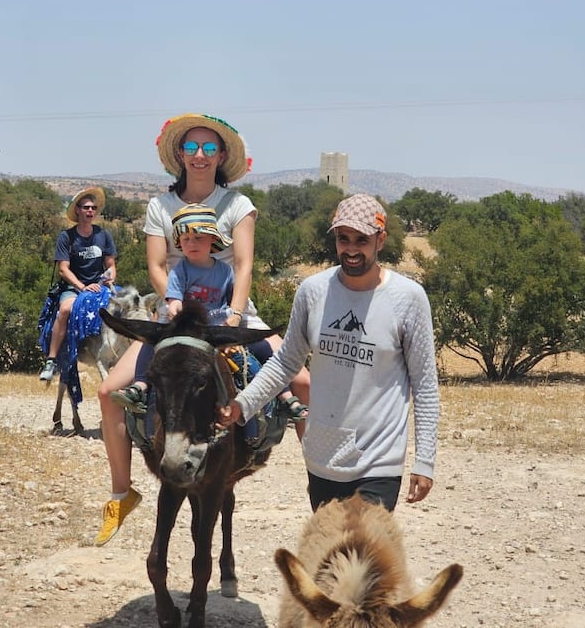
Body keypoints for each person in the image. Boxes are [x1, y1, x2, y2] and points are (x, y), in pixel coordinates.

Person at [95, 113, 310, 547]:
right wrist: (178, 308)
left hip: (233, 313)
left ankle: (318, 482)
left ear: (223, 156)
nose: (199, 155)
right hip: (176, 317)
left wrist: (233, 314)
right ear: (179, 154)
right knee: (107, 394)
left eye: (209, 148)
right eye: (191, 148)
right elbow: (158, 266)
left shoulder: (238, 205)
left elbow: (244, 264)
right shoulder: (160, 206)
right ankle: (122, 491)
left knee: (303, 380)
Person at [217, 193, 439, 514]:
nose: (350, 249)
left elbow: (425, 385)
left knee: (362, 555)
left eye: (361, 240)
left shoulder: (408, 298)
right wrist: (243, 405)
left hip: (378, 460)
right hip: (322, 456)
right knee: (330, 555)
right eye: (343, 238)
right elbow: (286, 362)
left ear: (381, 240)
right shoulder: (313, 291)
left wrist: (425, 461)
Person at [110, 203, 304, 426]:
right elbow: (173, 299)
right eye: (186, 239)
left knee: (263, 347)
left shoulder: (224, 271)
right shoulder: (179, 270)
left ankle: (286, 397)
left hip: (216, 326)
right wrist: (175, 308)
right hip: (187, 326)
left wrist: (234, 319)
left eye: (198, 238)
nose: (192, 244)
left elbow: (232, 300)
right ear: (179, 243)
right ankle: (140, 386)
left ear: (212, 239)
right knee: (149, 346)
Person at [39, 187, 117, 382]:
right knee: (65, 310)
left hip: (99, 286)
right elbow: (63, 269)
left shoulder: (103, 235)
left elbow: (110, 264)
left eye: (93, 208)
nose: (90, 211)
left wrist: (110, 277)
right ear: (77, 210)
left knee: (128, 306)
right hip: (74, 288)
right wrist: (82, 287)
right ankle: (51, 359)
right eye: (86, 207)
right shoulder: (67, 237)